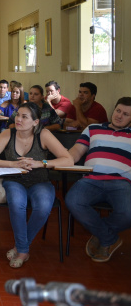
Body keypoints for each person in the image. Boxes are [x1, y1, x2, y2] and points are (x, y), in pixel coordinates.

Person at [0, 103, 72, 268]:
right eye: (18, 115)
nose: (18, 120)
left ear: (35, 122)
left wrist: (40, 163)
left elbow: (68, 159)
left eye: (24, 117)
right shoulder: (8, 134)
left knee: (43, 207)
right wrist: (13, 165)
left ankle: (20, 246)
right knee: (17, 204)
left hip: (40, 181)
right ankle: (23, 251)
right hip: (14, 180)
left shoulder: (43, 134)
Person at [65, 97, 131, 263]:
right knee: (73, 201)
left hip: (121, 182)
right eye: (118, 111)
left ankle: (102, 234)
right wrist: (62, 160)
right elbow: (76, 152)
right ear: (113, 110)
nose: (119, 116)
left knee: (128, 213)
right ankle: (109, 238)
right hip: (91, 179)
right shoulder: (93, 128)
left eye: (126, 114)